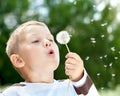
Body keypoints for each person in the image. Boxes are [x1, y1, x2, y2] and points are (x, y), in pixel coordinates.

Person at [1, 21, 99, 96]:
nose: (47, 42)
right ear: (18, 60)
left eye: (50, 39)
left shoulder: (71, 87)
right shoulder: (15, 93)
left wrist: (79, 78)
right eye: (35, 41)